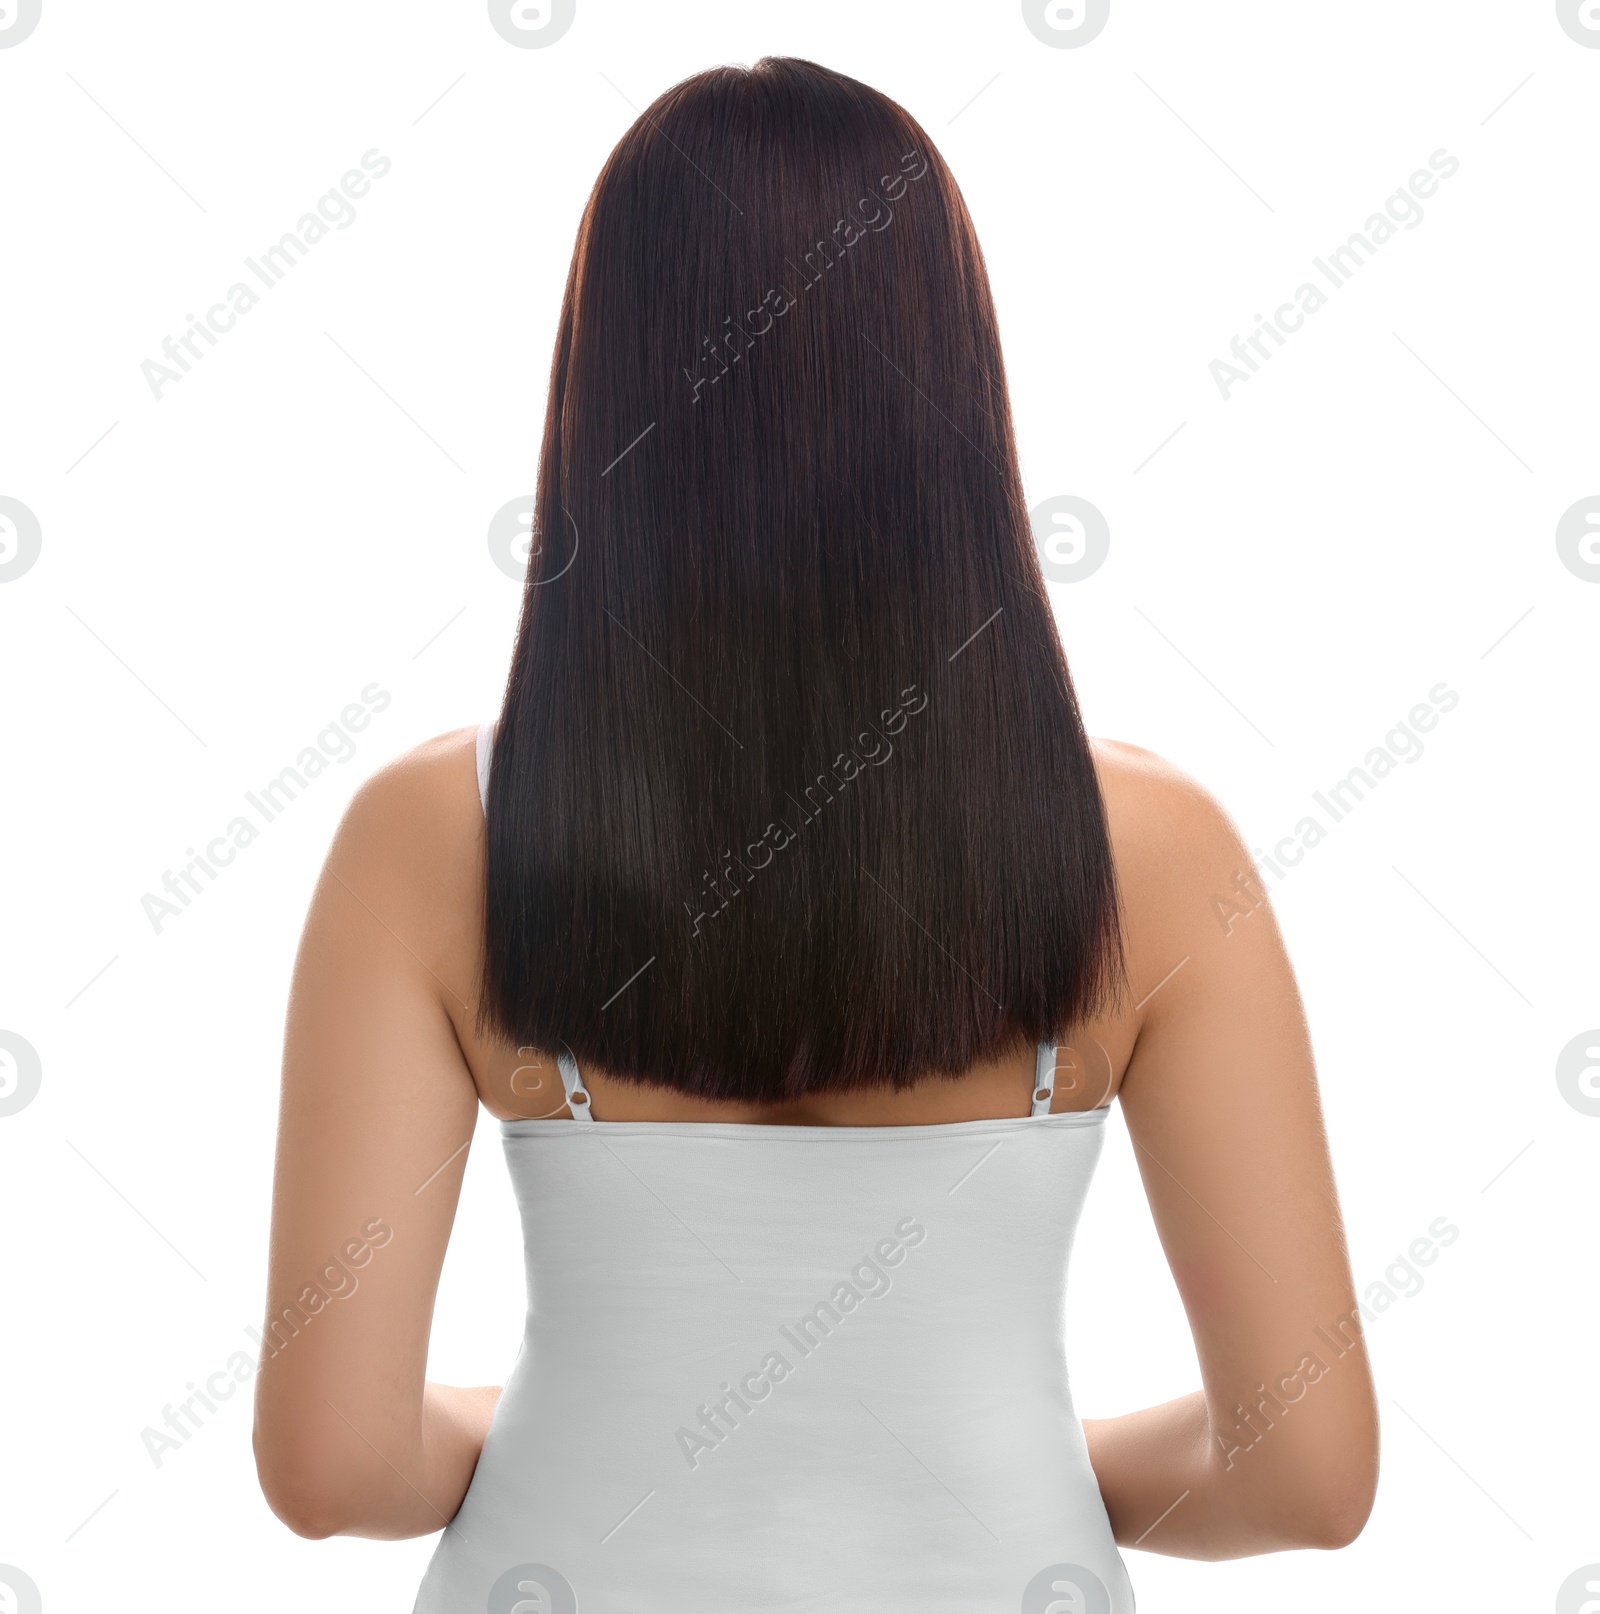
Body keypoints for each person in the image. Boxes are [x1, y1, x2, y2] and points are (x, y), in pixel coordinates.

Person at [252, 56, 1378, 1613]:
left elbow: (333, 1464)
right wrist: (1025, 1466)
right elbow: (1307, 1475)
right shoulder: (1159, 851)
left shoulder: (429, 835)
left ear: (605, 393)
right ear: (954, 390)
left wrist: (604, 1442)